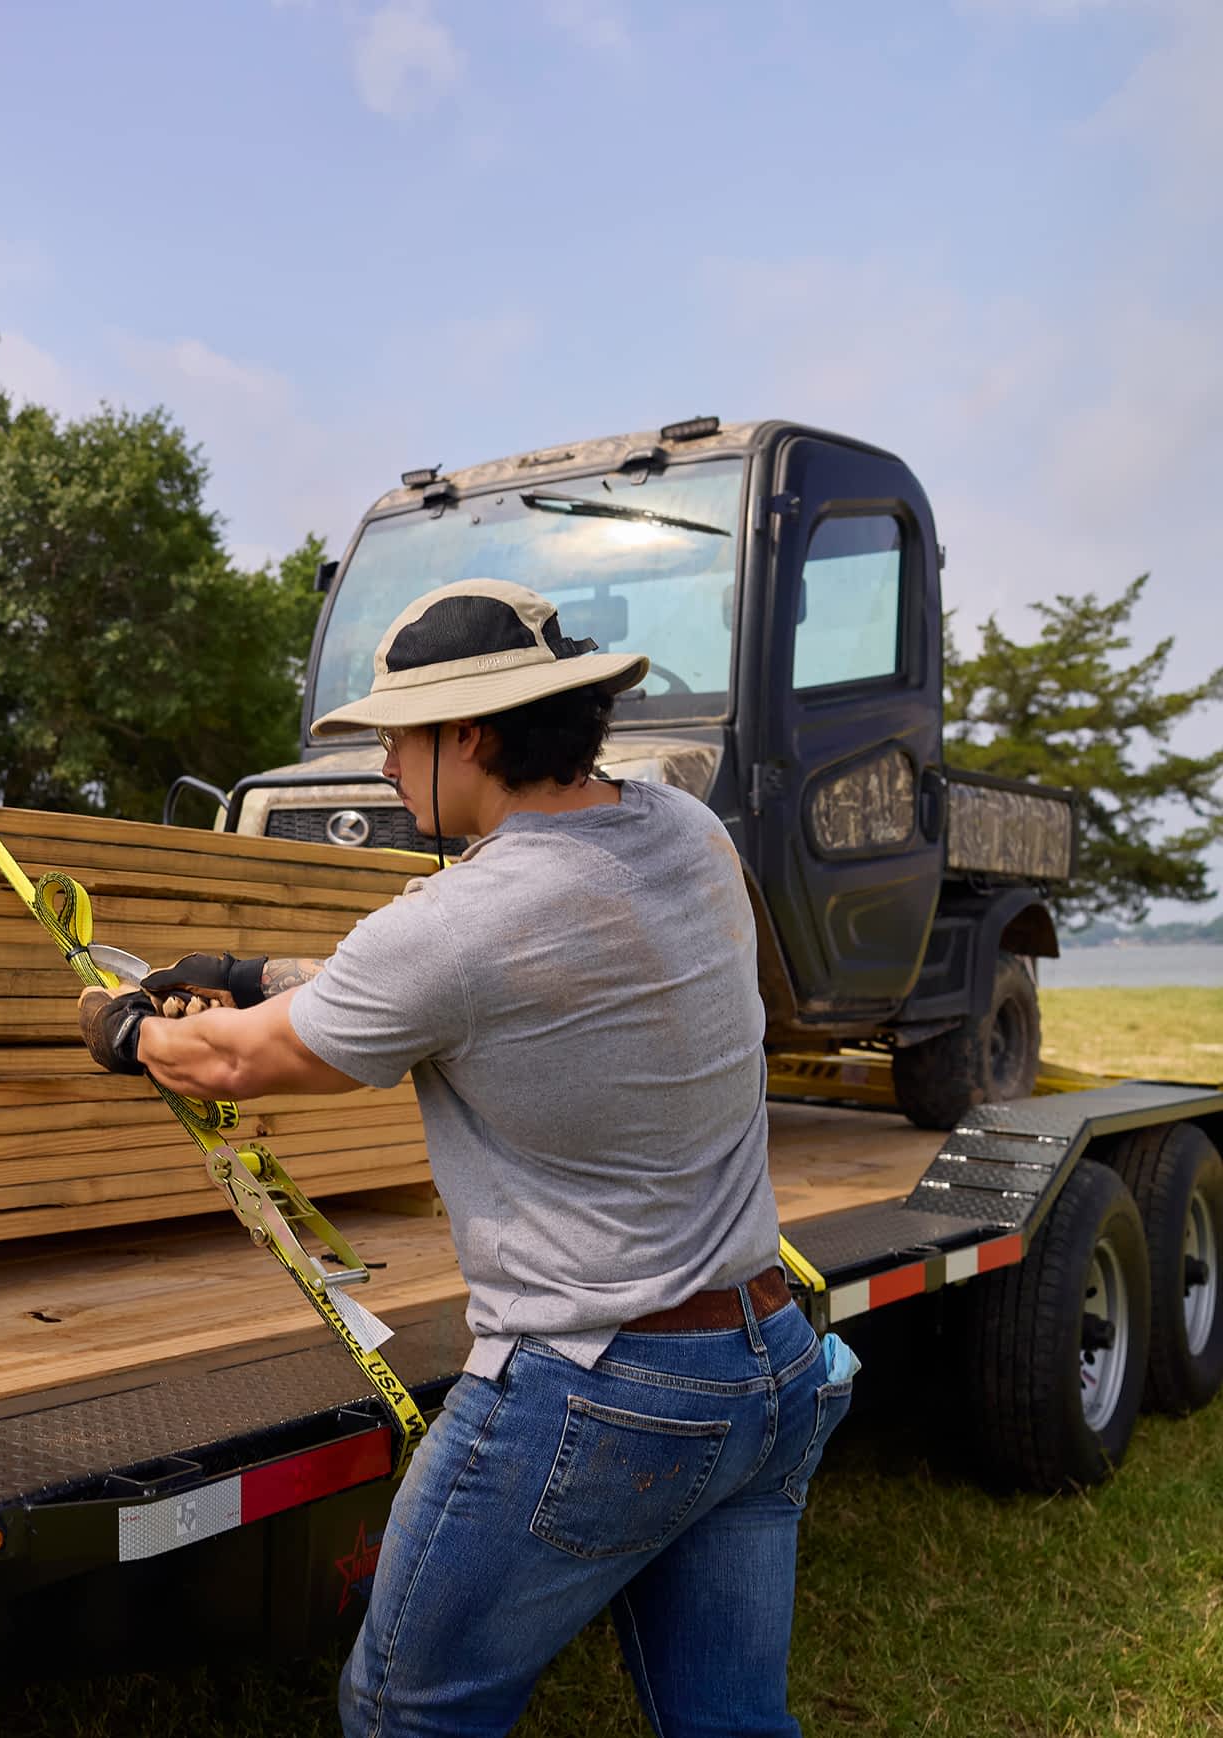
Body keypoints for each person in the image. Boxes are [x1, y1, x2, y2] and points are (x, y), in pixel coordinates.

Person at [77, 578, 857, 1738]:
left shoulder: (462, 923)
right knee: (730, 1725)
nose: (383, 762)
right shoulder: (686, 833)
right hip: (771, 1363)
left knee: (408, 1712)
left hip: (598, 1390)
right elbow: (463, 983)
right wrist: (251, 971)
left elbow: (238, 1065)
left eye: (399, 735)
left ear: (473, 733)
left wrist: (134, 1032)